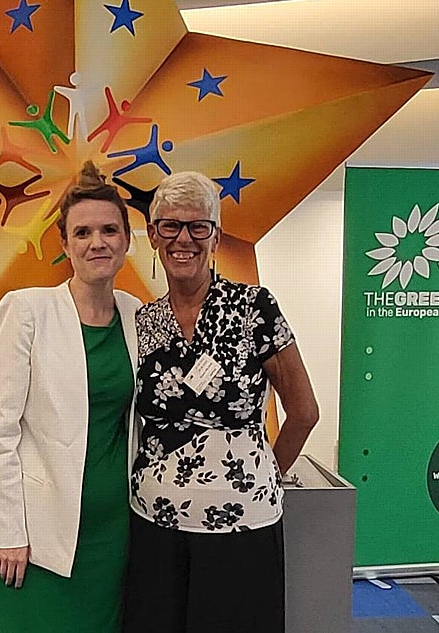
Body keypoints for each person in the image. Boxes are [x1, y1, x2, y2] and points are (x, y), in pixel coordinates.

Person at [124, 171, 319, 633]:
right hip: (155, 524)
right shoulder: (143, 320)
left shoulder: (255, 307)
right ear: (153, 236)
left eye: (198, 227)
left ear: (215, 237)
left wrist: (262, 473)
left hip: (241, 528)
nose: (183, 239)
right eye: (170, 226)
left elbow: (304, 410)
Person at [0, 161, 141, 633]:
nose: (97, 242)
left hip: (110, 537)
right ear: (64, 244)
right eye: (82, 232)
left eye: (109, 230)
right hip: (31, 536)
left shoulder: (135, 314)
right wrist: (8, 531)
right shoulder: (27, 310)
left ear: (127, 240)